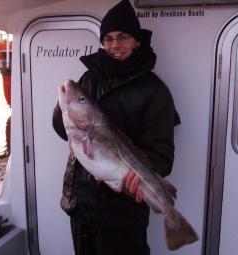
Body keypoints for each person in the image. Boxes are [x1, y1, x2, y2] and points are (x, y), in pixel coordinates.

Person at [52, 0, 180, 254]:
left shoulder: (155, 91)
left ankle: (175, 223)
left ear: (137, 41)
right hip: (82, 208)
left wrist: (138, 176)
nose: (114, 45)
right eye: (108, 38)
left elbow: (162, 158)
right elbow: (61, 130)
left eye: (122, 37)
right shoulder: (90, 77)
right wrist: (64, 108)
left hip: (123, 217)